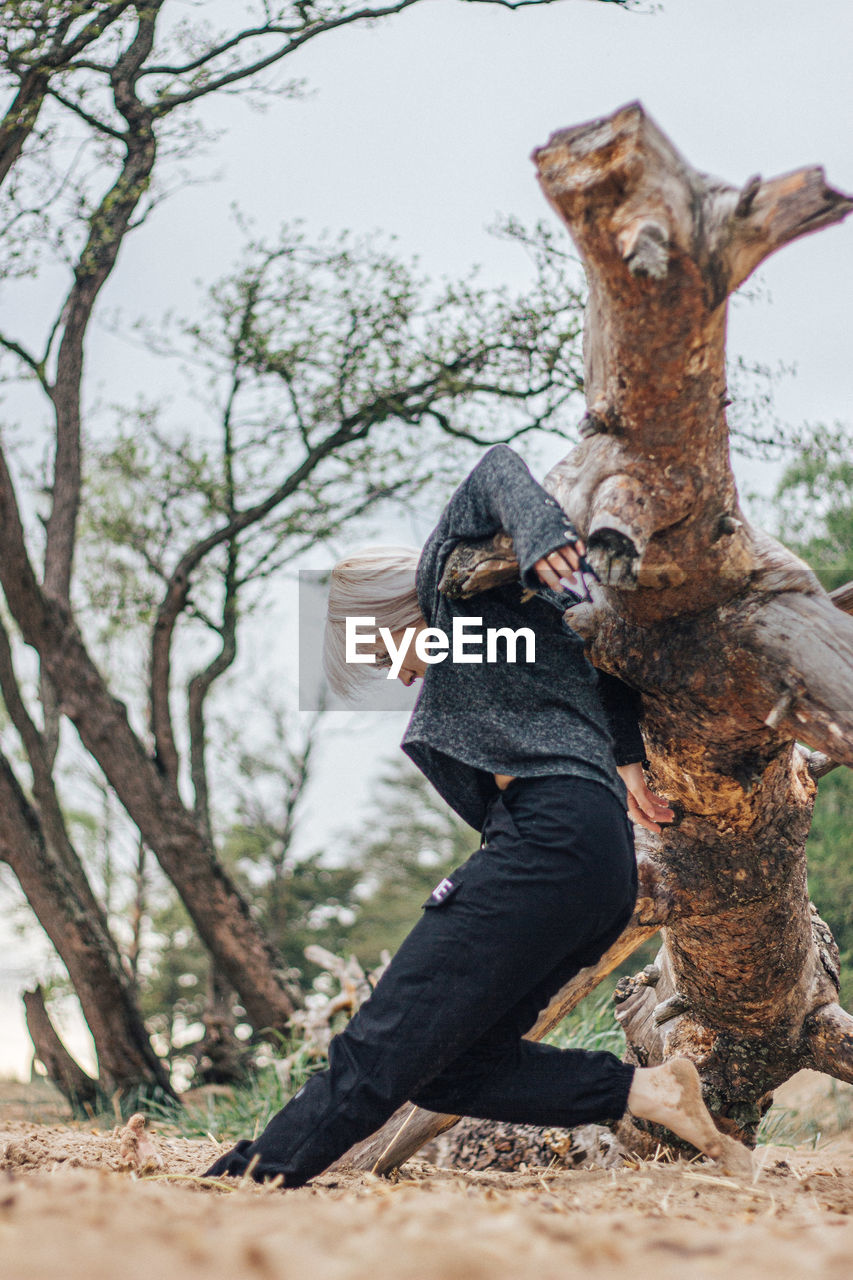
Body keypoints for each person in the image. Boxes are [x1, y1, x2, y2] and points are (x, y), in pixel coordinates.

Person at [204, 444, 748, 1186]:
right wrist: (624, 755)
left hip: (550, 843)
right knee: (446, 1068)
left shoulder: (456, 589)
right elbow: (601, 669)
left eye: (373, 642)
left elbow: (493, 469)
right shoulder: (522, 639)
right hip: (589, 866)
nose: (384, 668)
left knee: (382, 1039)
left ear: (398, 610)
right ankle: (644, 1091)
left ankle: (249, 1180)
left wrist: (539, 538)